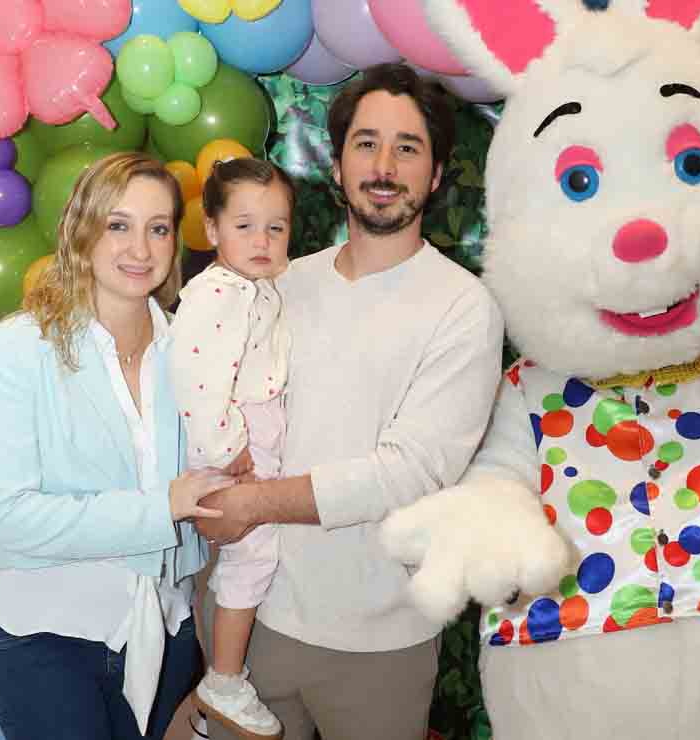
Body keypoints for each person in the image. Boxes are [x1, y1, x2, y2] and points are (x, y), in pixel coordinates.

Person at [190, 63, 506, 740]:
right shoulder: (277, 285)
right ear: (335, 167)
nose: (384, 165)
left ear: (438, 174)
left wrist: (252, 503)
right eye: (365, 143)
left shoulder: (463, 307)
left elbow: (411, 470)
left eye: (407, 147)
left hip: (380, 645)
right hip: (253, 623)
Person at [0, 152, 231, 740]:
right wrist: (162, 506)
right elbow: (12, 521)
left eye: (158, 228)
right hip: (49, 638)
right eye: (119, 225)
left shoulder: (196, 353)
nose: (140, 248)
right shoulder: (14, 349)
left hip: (169, 634)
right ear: (81, 230)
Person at [169, 158, 295, 739]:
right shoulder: (216, 293)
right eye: (245, 226)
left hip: (254, 435)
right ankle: (223, 678)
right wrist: (229, 452)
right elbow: (196, 383)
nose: (263, 240)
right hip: (234, 446)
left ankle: (215, 689)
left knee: (251, 559)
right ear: (213, 229)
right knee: (254, 556)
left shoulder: (256, 288)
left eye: (277, 227)